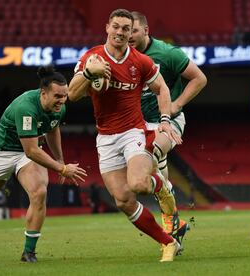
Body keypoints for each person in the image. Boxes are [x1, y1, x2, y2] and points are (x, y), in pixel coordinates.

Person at [68, 9, 183, 262]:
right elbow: (72, 95)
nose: (120, 32)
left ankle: (162, 187)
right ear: (107, 27)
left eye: (126, 29)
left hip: (134, 132)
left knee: (139, 184)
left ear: (131, 32)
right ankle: (168, 242)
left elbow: (162, 87)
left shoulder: (140, 61)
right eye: (116, 27)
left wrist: (165, 120)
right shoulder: (91, 57)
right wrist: (89, 74)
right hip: (106, 137)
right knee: (122, 200)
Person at [0, 65, 87, 262]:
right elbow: (32, 150)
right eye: (58, 96)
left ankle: (29, 252)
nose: (62, 100)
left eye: (65, 95)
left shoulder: (58, 108)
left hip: (26, 155)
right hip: (2, 153)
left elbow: (52, 129)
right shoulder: (26, 107)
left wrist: (60, 158)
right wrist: (61, 168)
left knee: (39, 192)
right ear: (43, 93)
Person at [129, 11, 207, 242]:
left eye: (134, 30)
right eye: (126, 31)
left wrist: (177, 104)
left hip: (168, 122)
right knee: (155, 178)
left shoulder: (166, 53)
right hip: (137, 126)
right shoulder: (123, 55)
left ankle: (171, 224)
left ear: (146, 30)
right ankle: (176, 224)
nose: (129, 35)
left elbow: (199, 78)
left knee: (152, 155)